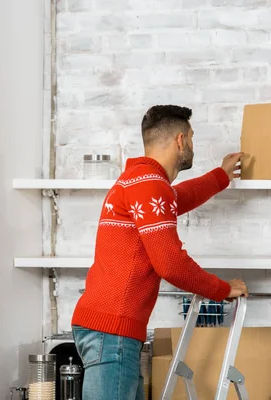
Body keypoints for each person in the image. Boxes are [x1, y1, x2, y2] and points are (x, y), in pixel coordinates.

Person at [71, 105, 249, 399]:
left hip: (111, 330)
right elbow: (171, 264)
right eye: (191, 138)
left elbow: (179, 198)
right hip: (112, 332)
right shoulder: (150, 185)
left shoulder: (142, 181)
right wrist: (222, 288)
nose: (192, 145)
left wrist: (221, 176)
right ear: (181, 140)